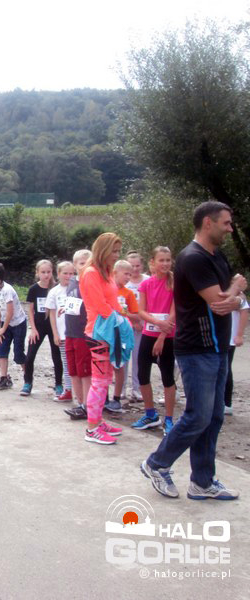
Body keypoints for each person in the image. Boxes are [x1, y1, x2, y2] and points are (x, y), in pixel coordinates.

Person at [142, 201, 246, 500]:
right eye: (226, 223)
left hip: (218, 348)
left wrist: (233, 295)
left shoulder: (216, 256)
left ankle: (202, 481)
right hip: (197, 349)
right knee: (198, 416)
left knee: (213, 417)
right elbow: (221, 303)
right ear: (208, 223)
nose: (230, 229)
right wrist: (237, 289)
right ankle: (156, 464)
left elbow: (227, 299)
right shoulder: (193, 258)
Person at [78, 233, 125, 445]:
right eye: (114, 251)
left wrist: (121, 317)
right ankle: (91, 429)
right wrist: (121, 321)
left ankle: (98, 422)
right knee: (98, 382)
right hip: (98, 333)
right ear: (103, 250)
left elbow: (112, 302)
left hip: (108, 331)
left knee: (105, 380)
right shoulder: (91, 273)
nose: (117, 255)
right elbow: (100, 306)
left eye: (118, 251)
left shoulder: (105, 272)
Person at [132, 247, 177, 436]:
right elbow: (141, 310)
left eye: (168, 260)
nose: (165, 263)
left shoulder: (175, 283)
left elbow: (175, 311)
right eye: (161, 260)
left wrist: (162, 336)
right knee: (142, 374)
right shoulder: (146, 284)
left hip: (168, 337)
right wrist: (156, 323)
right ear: (153, 262)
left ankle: (169, 419)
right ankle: (150, 414)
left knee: (167, 377)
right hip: (148, 334)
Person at [22, 259, 63, 396]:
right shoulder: (34, 289)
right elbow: (30, 310)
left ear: (52, 272)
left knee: (56, 356)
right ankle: (28, 383)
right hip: (38, 326)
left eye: (48, 272)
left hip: (54, 327)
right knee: (30, 356)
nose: (46, 275)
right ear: (37, 273)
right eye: (43, 272)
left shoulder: (57, 289)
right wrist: (33, 329)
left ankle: (58, 385)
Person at [62, 250, 93, 419]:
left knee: (85, 371)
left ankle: (88, 406)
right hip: (70, 331)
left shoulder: (91, 282)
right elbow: (73, 303)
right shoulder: (73, 281)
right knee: (73, 370)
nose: (85, 266)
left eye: (88, 263)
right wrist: (64, 308)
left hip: (83, 333)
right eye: (81, 263)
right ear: (75, 265)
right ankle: (79, 403)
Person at [0, 262, 27, 391]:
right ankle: (4, 379)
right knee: (2, 351)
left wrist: (3, 328)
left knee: (18, 354)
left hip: (18, 324)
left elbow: (10, 312)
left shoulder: (7, 290)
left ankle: (28, 378)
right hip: (5, 323)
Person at [110, 260, 141, 412]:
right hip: (105, 332)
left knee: (119, 364)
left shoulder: (128, 293)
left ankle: (117, 397)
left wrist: (124, 312)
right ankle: (103, 397)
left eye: (130, 274)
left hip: (121, 333)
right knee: (104, 366)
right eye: (126, 274)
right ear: (115, 273)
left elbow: (136, 315)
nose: (129, 277)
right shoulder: (106, 289)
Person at [46, 261, 74, 401]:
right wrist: (55, 334)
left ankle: (82, 392)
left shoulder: (78, 289)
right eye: (65, 273)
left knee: (78, 364)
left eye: (71, 273)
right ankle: (68, 390)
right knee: (67, 363)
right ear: (58, 274)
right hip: (62, 333)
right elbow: (52, 314)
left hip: (77, 333)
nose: (68, 276)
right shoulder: (54, 292)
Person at [125, 251, 150, 401]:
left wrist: (141, 320)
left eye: (137, 265)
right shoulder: (123, 281)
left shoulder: (147, 280)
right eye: (131, 266)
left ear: (142, 265)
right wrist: (133, 320)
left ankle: (137, 388)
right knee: (123, 359)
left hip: (143, 325)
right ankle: (121, 390)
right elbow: (119, 304)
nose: (135, 269)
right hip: (126, 325)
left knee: (138, 358)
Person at [225, 295, 248, 416]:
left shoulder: (236, 291)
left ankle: (226, 403)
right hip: (216, 337)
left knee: (226, 368)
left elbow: (244, 309)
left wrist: (239, 335)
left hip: (229, 337)